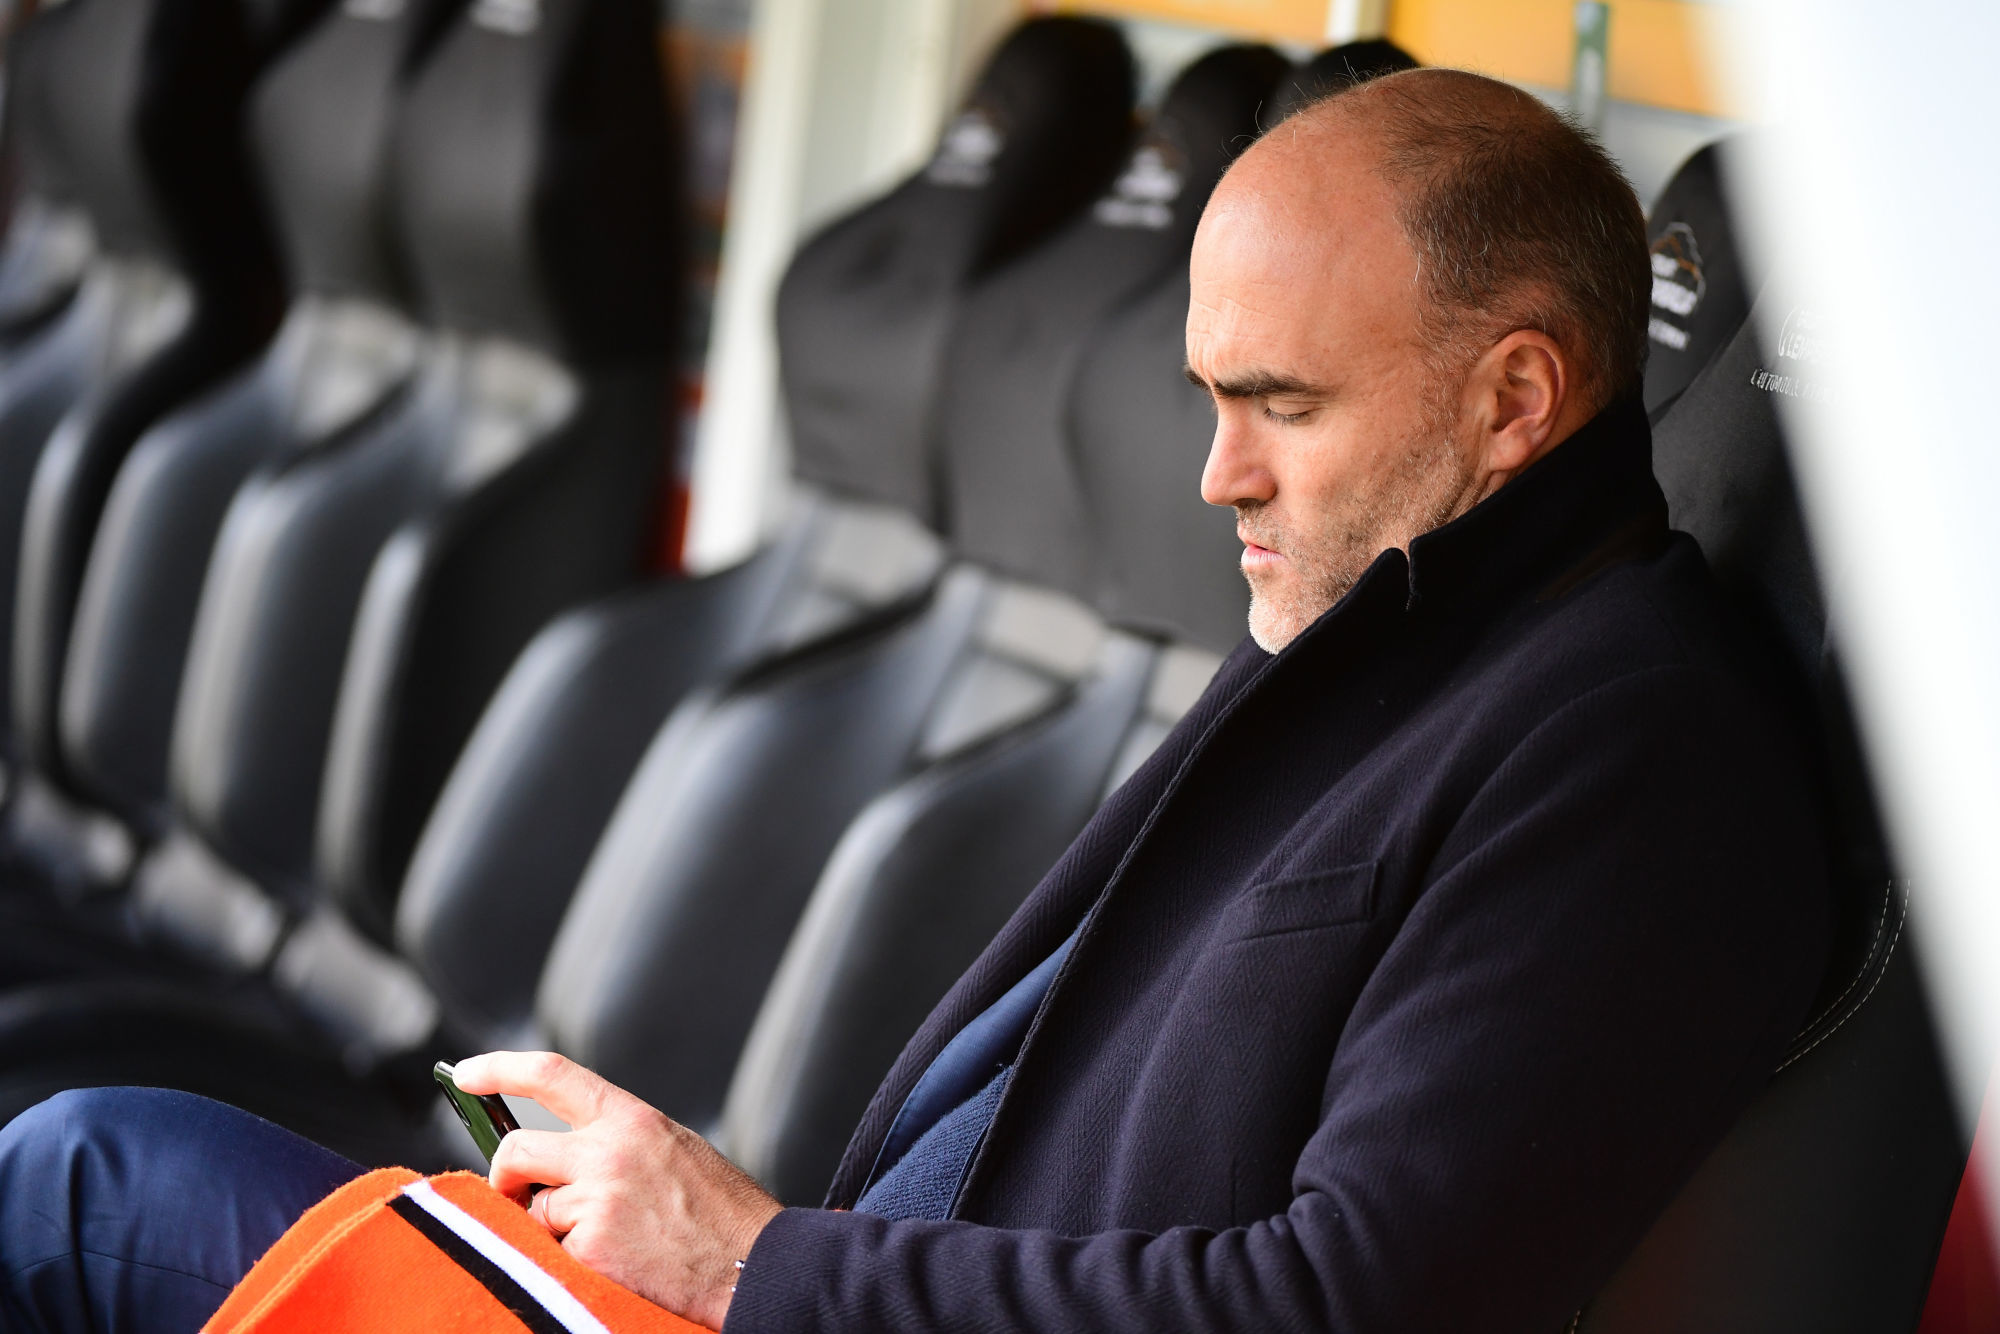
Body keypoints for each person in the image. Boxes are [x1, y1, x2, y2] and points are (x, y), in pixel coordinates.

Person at [0, 67, 1828, 1334]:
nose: (1219, 477)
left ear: (1515, 402)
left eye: (1283, 405)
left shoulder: (1633, 750)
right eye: (1211, 402)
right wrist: (722, 1237)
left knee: (84, 1182)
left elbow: (1344, 1305)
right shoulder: (1409, 630)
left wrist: (752, 1260)